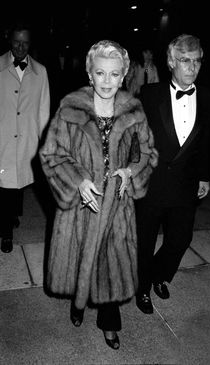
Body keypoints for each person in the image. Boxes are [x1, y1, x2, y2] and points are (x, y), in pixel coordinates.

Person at [39, 40, 157, 349]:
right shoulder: (70, 107)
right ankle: (78, 302)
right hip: (81, 206)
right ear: (90, 74)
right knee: (82, 259)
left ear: (124, 75)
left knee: (111, 263)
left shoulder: (132, 109)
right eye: (100, 73)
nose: (107, 81)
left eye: (114, 74)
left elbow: (146, 152)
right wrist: (77, 180)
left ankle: (109, 320)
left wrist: (130, 172)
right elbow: (51, 154)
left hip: (117, 204)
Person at [135, 34, 210, 314]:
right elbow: (136, 137)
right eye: (185, 61)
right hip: (153, 183)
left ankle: (158, 274)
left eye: (196, 61)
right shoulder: (149, 94)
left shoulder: (207, 97)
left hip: (185, 184)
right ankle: (142, 288)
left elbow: (204, 142)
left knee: (180, 239)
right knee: (144, 240)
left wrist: (204, 175)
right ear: (171, 62)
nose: (192, 68)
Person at [0, 22, 50, 253]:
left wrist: (42, 142)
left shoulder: (41, 72)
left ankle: (11, 215)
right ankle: (6, 233)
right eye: (16, 41)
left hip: (27, 140)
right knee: (4, 186)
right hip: (3, 138)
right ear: (10, 40)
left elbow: (43, 109)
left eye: (25, 42)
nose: (20, 47)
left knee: (18, 184)